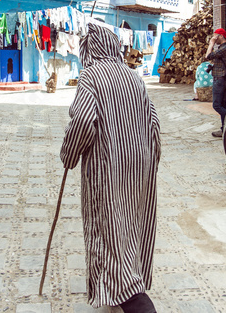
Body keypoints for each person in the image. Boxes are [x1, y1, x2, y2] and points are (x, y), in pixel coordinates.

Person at [60, 23, 161, 312]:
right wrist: (150, 162)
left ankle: (131, 296)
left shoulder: (91, 76)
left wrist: (68, 154)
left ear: (89, 49)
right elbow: (153, 123)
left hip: (108, 166)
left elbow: (81, 122)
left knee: (107, 227)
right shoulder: (134, 77)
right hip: (139, 165)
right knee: (131, 224)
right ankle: (123, 280)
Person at [205, 28, 226, 137]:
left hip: (220, 80)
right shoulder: (223, 48)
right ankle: (225, 129)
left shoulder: (225, 48)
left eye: (215, 36)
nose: (213, 38)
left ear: (220, 36)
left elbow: (207, 56)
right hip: (221, 79)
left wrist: (211, 43)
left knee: (216, 105)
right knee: (222, 105)